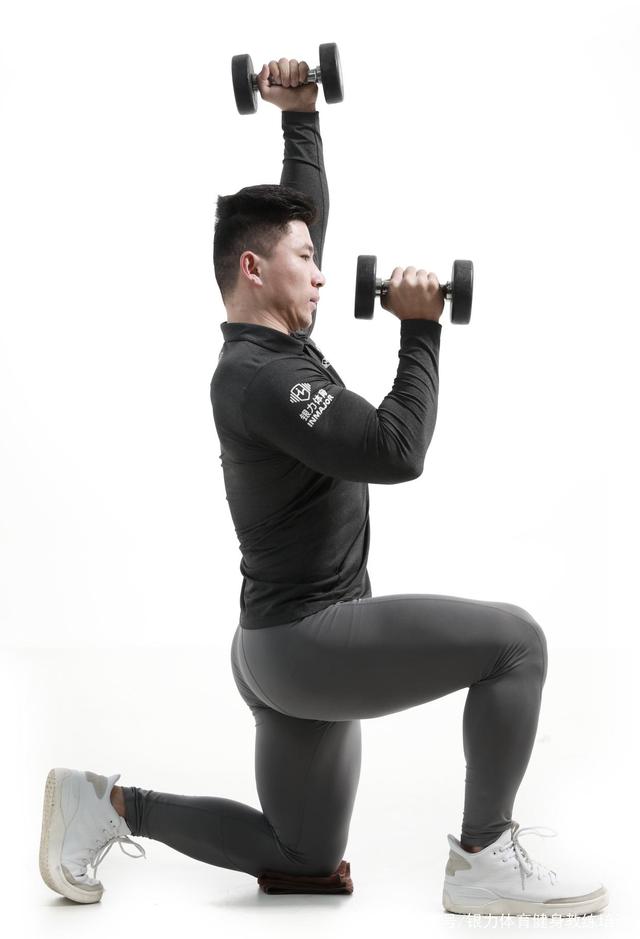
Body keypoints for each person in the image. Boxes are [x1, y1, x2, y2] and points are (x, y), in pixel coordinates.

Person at [39, 56, 608, 917]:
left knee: (302, 854)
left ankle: (107, 805)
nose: (321, 273)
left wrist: (300, 114)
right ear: (253, 269)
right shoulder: (262, 377)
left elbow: (303, 219)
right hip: (309, 642)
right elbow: (395, 449)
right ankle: (485, 858)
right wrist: (421, 330)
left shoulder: (273, 344)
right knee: (516, 643)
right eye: (305, 260)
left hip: (275, 645)